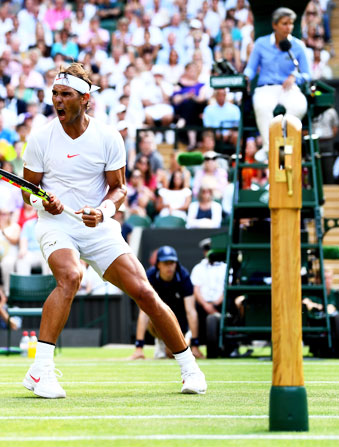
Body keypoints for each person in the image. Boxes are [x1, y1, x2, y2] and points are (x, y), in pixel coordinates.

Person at [20, 63, 206, 399]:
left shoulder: (108, 137)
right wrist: (42, 204)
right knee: (70, 276)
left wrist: (103, 211)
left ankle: (188, 368)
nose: (58, 101)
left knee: (145, 292)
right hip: (55, 222)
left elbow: (118, 189)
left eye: (66, 95)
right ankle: (42, 370)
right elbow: (27, 190)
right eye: (55, 95)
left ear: (85, 98)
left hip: (97, 224)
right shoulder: (41, 138)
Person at [243, 7, 310, 153]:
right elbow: (251, 69)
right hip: (266, 88)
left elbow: (306, 74)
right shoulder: (261, 44)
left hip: (289, 88)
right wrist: (246, 77)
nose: (289, 27)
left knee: (299, 105)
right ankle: (270, 148)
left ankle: (280, 142)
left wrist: (295, 77)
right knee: (262, 107)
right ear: (275, 25)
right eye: (284, 23)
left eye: (291, 24)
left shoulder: (298, 46)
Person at [129, 246, 202, 360]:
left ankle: (185, 341)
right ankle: (162, 341)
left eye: (172, 263)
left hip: (180, 324)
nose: (170, 266)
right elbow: (143, 312)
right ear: (158, 264)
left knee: (174, 354)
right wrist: (139, 348)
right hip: (159, 322)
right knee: (149, 313)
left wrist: (196, 346)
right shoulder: (150, 277)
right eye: (165, 263)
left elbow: (191, 311)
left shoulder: (184, 277)